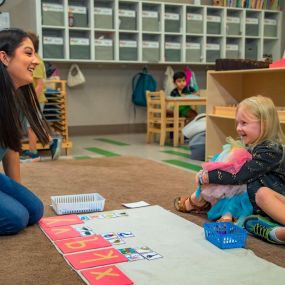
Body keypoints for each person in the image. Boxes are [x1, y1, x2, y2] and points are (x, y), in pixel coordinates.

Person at [174, 95, 285, 244]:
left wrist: (209, 176)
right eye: (237, 123)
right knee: (250, 221)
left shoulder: (271, 150)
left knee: (262, 194)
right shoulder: (253, 145)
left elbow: (239, 176)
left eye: (244, 123)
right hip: (257, 206)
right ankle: (273, 232)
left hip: (276, 199)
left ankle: (198, 201)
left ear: (264, 124)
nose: (238, 128)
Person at [0, 28, 51, 234]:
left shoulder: (17, 100)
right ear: (4, 57)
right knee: (16, 219)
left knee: (34, 210)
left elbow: (11, 147)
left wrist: (16, 191)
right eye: (29, 53)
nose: (36, 61)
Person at [20, 32, 61, 162]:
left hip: (36, 99)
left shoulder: (35, 61)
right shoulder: (30, 59)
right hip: (32, 98)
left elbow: (40, 84)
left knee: (32, 126)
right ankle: (51, 142)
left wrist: (32, 100)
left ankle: (33, 153)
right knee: (34, 125)